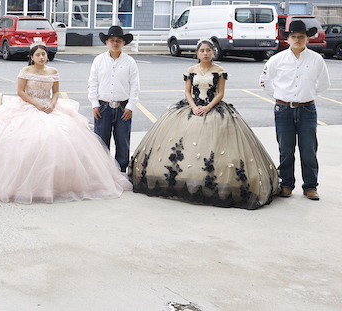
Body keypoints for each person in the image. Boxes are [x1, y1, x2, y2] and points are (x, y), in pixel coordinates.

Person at [0, 44, 131, 203]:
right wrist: (36, 104)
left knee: (62, 141)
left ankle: (59, 183)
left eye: (43, 54)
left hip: (50, 106)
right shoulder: (26, 71)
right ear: (32, 57)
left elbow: (56, 91)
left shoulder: (53, 71)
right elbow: (20, 92)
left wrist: (52, 104)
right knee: (22, 142)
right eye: (38, 54)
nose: (41, 57)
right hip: (29, 106)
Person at [129, 39, 279, 209]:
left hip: (213, 107)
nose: (206, 53)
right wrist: (193, 107)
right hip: (192, 107)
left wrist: (208, 107)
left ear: (213, 52)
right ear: (197, 53)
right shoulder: (191, 70)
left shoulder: (220, 71)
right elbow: (187, 91)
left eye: (209, 50)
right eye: (202, 50)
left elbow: (220, 93)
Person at [260, 20, 331, 201]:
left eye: (301, 37)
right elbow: (265, 81)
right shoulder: (277, 59)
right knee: (285, 148)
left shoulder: (316, 59)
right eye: (293, 37)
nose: (297, 40)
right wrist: (279, 96)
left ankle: (310, 187)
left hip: (307, 110)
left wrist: (308, 94)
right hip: (283, 110)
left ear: (307, 38)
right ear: (288, 39)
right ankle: (286, 184)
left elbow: (324, 83)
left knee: (308, 149)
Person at [87, 25, 141, 172]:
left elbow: (135, 86)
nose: (115, 43)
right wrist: (94, 103)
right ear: (107, 42)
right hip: (103, 107)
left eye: (118, 40)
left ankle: (121, 171)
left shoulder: (130, 62)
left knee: (123, 142)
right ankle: (102, 172)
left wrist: (130, 107)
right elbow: (93, 82)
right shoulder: (99, 60)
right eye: (112, 40)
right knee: (101, 142)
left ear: (124, 43)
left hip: (123, 108)